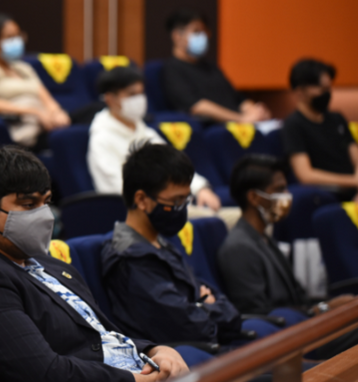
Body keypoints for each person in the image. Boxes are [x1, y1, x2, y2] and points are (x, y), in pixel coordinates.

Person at [0, 145, 188, 382]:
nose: (44, 215)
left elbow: (99, 336)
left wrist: (155, 350)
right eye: (28, 204)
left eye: (46, 202)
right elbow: (47, 375)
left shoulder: (49, 264)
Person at [218, 154, 358, 357]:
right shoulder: (238, 248)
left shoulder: (264, 238)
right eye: (279, 190)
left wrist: (328, 307)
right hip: (286, 340)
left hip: (302, 326)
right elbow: (258, 314)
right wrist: (322, 309)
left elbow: (298, 296)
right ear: (254, 197)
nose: (287, 196)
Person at [100, 143, 250, 346]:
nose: (182, 209)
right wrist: (205, 304)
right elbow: (190, 328)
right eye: (176, 201)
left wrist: (201, 305)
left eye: (185, 200)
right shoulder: (131, 257)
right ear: (142, 200)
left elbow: (224, 305)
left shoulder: (159, 242)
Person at [87, 66, 229, 220]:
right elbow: (118, 188)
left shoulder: (144, 131)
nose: (139, 99)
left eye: (141, 93)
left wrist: (201, 188)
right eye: (132, 94)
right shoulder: (101, 138)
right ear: (110, 99)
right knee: (218, 222)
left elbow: (175, 165)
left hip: (173, 204)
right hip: (146, 213)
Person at [0, 13, 70, 149]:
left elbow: (45, 97)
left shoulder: (23, 67)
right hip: (21, 125)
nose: (17, 41)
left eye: (18, 35)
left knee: (90, 114)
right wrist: (34, 112)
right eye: (10, 38)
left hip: (46, 123)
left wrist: (57, 113)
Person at [282, 58, 358, 202]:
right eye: (322, 90)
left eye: (329, 89)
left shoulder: (337, 119)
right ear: (299, 92)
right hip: (329, 192)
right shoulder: (293, 125)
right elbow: (306, 175)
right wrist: (355, 182)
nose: (327, 94)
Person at [162, 9, 270, 123]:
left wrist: (254, 111)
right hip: (215, 128)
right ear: (177, 36)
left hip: (240, 124)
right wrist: (241, 119)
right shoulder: (172, 69)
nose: (203, 36)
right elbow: (197, 107)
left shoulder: (211, 67)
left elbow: (237, 98)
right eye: (196, 31)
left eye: (204, 31)